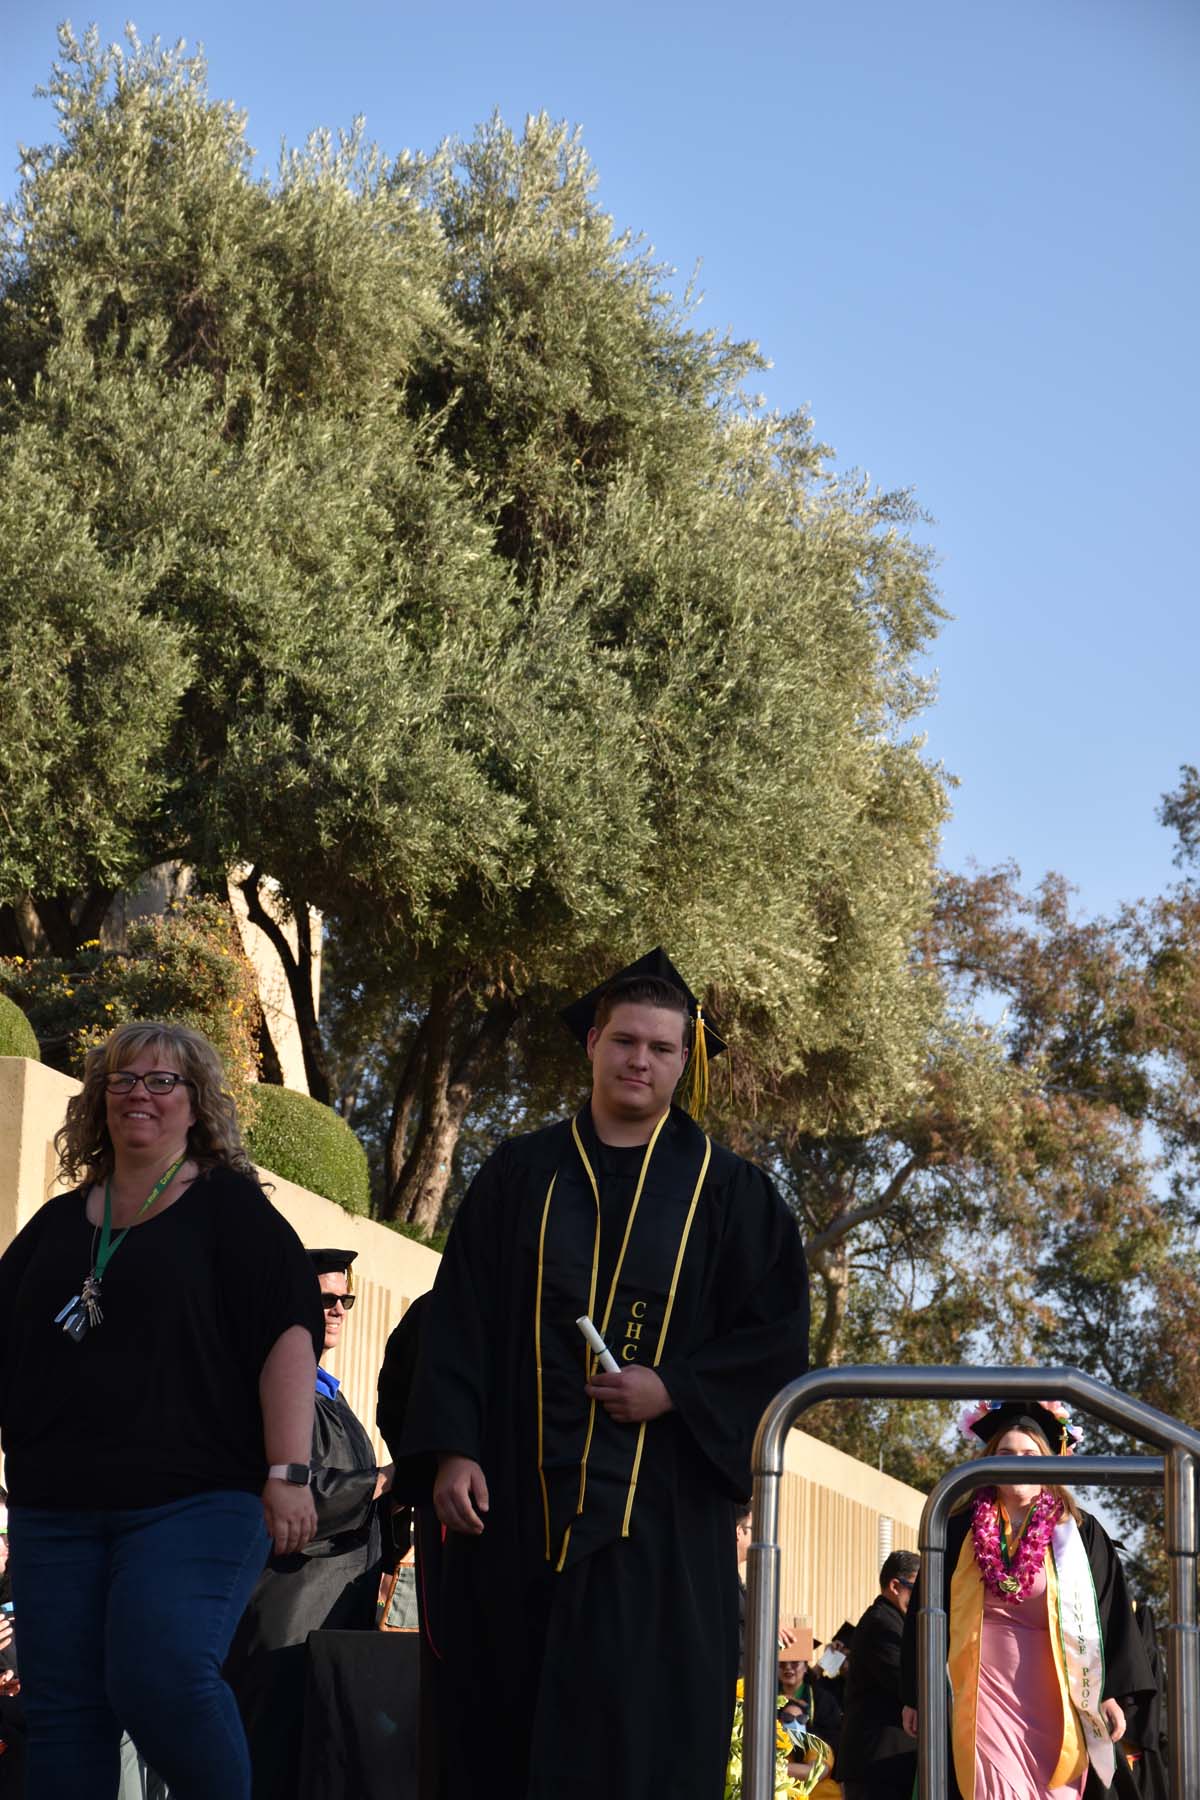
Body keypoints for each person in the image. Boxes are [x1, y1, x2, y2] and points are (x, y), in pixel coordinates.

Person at [399, 949, 809, 1800]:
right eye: (624, 1041)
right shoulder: (521, 1175)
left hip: (658, 1528)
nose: (639, 1061)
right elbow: (458, 1319)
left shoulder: (733, 1196)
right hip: (513, 1509)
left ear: (685, 1060)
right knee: (499, 1739)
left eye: (661, 1048)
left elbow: (774, 1344)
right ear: (592, 1043)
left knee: (638, 1743)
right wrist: (452, 1448)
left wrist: (676, 1389)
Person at [0, 1020, 325, 1800]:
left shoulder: (231, 1212)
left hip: (195, 1501)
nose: (138, 1094)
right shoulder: (56, 1225)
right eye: (122, 1079)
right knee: (63, 1712)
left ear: (197, 1102)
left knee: (162, 1677)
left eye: (161, 1081)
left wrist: (289, 1472)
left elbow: (288, 1333)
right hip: (55, 1507)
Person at [900, 1399, 1156, 1800]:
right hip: (981, 1694)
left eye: (1029, 1455)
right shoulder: (956, 1530)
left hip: (1059, 1696)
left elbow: (1110, 1615)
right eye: (1005, 1453)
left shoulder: (1080, 1534)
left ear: (1051, 1464)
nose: (1016, 1463)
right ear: (989, 1460)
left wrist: (1109, 1693)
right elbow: (926, 1613)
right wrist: (917, 1692)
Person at [227, 1247, 392, 1800]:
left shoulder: (331, 1398)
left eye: (346, 1299)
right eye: (326, 1299)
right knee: (270, 1762)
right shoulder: (271, 1389)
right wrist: (381, 1482)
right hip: (287, 1611)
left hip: (336, 1610)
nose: (339, 1310)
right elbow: (293, 1497)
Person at [836, 1550, 919, 1800]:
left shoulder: (895, 1621)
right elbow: (907, 1682)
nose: (923, 1601)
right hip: (877, 1764)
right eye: (917, 1590)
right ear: (895, 1586)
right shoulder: (882, 1624)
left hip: (888, 1763)